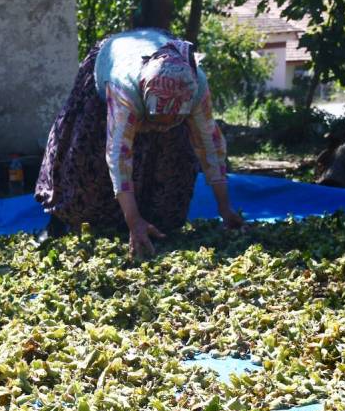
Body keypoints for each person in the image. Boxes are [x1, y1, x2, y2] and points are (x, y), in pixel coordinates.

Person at [35, 28, 245, 259]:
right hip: (111, 71)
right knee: (85, 165)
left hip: (161, 92)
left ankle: (153, 228)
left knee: (173, 168)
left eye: (170, 121)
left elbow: (210, 146)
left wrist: (225, 208)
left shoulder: (195, 89)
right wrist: (133, 221)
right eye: (157, 120)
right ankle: (59, 221)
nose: (160, 128)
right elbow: (118, 156)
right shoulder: (123, 87)